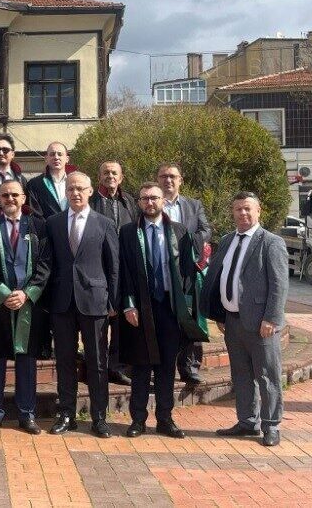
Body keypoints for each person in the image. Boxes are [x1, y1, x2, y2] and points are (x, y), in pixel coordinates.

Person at [29, 171, 119, 438]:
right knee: (65, 361)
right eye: (71, 189)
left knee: (97, 361)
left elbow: (113, 267)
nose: (76, 193)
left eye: (81, 188)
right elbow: (47, 262)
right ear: (65, 192)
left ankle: (99, 417)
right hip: (62, 302)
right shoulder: (53, 223)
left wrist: (114, 301)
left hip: (95, 302)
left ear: (90, 191)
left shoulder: (104, 223)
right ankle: (66, 413)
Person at [120, 182, 205, 440]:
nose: (150, 202)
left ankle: (165, 419)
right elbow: (122, 272)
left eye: (154, 198)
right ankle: (137, 420)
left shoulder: (179, 232)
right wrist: (128, 304)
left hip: (169, 307)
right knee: (141, 365)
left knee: (167, 365)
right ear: (139, 203)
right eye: (145, 198)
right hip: (140, 308)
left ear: (163, 201)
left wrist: (187, 308)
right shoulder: (126, 232)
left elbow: (189, 273)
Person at [204, 192, 288, 447]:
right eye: (238, 209)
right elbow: (222, 277)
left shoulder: (271, 242)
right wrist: (220, 313)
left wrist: (272, 318)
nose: (243, 213)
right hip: (233, 322)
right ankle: (246, 422)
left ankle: (271, 425)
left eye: (247, 209)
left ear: (258, 211)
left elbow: (279, 284)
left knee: (267, 375)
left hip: (261, 324)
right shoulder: (228, 240)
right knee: (240, 375)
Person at [0, 180, 49, 435]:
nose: (10, 199)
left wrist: (27, 294)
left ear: (24, 198)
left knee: (26, 362)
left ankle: (27, 414)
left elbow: (45, 265)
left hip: (29, 306)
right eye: (5, 195)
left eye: (15, 195)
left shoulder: (39, 227)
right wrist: (4, 293)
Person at [157, 163, 212, 385]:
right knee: (163, 320)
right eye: (163, 176)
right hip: (160, 271)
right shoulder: (150, 203)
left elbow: (206, 230)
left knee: (190, 318)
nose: (168, 180)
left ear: (181, 180)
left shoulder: (193, 205)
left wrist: (187, 242)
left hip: (187, 271)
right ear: (158, 180)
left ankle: (189, 367)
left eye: (173, 176)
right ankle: (161, 367)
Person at [89, 160, 137, 386]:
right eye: (106, 172)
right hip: (97, 267)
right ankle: (96, 367)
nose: (110, 176)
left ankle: (116, 366)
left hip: (123, 267)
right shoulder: (91, 202)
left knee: (119, 318)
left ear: (121, 177)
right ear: (99, 177)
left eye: (114, 173)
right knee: (98, 319)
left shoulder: (129, 202)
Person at [26, 142, 73, 219]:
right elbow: (35, 215)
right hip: (47, 229)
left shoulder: (75, 183)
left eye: (60, 154)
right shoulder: (34, 184)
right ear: (46, 159)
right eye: (52, 154)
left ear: (67, 159)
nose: (56, 157)